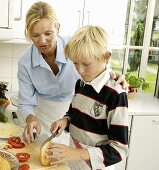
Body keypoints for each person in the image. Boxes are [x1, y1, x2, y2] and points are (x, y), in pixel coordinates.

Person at [17, 1, 126, 144]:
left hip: (78, 116)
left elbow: (97, 63)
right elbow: (25, 103)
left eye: (48, 33)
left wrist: (111, 75)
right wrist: (31, 118)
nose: (42, 41)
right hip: (44, 120)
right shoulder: (25, 62)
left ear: (58, 28)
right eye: (35, 35)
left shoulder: (74, 47)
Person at [47, 25, 128, 170]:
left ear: (106, 57)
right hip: (74, 161)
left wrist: (76, 153)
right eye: (75, 63)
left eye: (86, 64)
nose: (80, 71)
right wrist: (65, 120)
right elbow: (74, 113)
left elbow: (119, 150)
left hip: (97, 166)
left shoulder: (115, 93)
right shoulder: (81, 84)